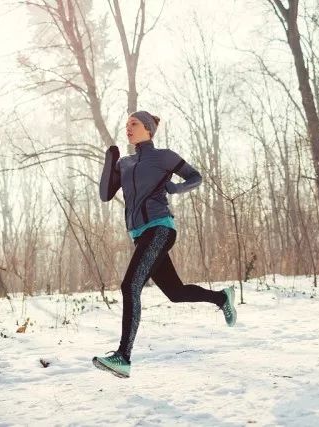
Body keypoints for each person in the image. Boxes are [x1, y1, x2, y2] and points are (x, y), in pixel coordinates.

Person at [92, 110, 237, 378]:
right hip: (140, 235)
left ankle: (123, 356)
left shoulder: (164, 157)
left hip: (160, 228)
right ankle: (221, 298)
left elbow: (195, 177)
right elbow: (105, 195)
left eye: (134, 124)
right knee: (175, 292)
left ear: (148, 129)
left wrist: (175, 188)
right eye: (126, 125)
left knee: (130, 285)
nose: (128, 128)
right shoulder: (124, 163)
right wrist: (110, 158)